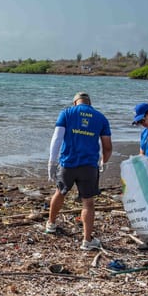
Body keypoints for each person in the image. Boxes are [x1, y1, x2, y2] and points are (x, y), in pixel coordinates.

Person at [46, 91, 112, 250]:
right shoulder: (100, 117)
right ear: (89, 103)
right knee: (88, 203)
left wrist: (52, 162)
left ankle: (51, 224)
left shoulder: (67, 113)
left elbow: (57, 139)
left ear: (75, 102)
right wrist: (104, 161)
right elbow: (107, 146)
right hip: (89, 166)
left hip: (67, 163)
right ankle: (87, 240)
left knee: (60, 192)